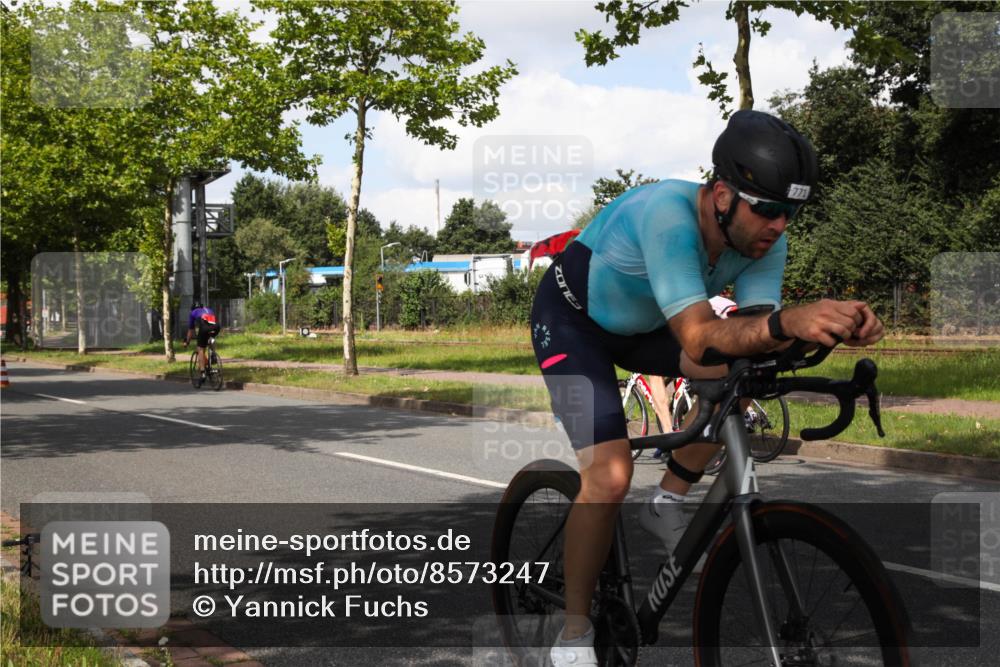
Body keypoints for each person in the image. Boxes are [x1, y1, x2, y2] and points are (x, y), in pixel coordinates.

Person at [529, 110, 884, 666]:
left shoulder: (765, 239)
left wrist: (831, 331)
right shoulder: (667, 216)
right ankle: (573, 635)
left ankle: (668, 497)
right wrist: (787, 321)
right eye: (767, 209)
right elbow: (699, 334)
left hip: (647, 328)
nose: (779, 225)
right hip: (575, 324)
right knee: (610, 472)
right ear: (722, 194)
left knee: (741, 379)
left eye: (790, 213)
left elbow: (752, 337)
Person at [183, 301, 221, 387]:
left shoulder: (193, 313)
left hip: (204, 328)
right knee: (211, 338)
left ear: (193, 309)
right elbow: (211, 320)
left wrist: (187, 341)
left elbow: (190, 331)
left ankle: (203, 373)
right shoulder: (208, 309)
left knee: (200, 349)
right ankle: (213, 354)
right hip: (216, 326)